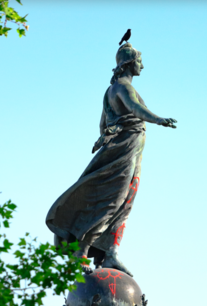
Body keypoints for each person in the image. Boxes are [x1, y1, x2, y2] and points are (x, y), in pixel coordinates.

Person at [45, 41, 177, 275]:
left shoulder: (112, 90)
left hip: (131, 150)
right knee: (112, 201)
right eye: (139, 61)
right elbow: (135, 108)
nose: (142, 66)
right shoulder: (123, 88)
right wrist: (158, 119)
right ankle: (81, 252)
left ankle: (111, 254)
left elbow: (102, 123)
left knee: (125, 202)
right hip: (124, 150)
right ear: (128, 63)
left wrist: (104, 137)